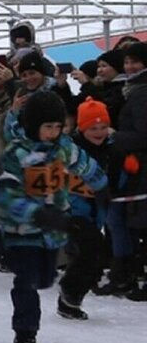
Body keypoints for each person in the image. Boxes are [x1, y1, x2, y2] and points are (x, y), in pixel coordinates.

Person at [0, 91, 107, 343]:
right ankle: (25, 334)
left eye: (58, 127)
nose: (53, 132)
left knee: (45, 278)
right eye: (48, 127)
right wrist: (36, 213)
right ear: (34, 125)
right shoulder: (16, 154)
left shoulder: (63, 147)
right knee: (27, 281)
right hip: (21, 231)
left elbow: (84, 163)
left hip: (52, 230)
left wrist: (101, 185)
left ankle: (48, 299)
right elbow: (7, 196)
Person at [58, 98, 119, 318]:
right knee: (91, 248)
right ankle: (68, 292)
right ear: (82, 128)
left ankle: (72, 299)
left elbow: (117, 177)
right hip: (72, 209)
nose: (99, 132)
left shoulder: (111, 149)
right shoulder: (71, 149)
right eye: (93, 128)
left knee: (94, 256)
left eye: (103, 127)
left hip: (97, 211)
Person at [111, 41, 147, 300]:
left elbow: (143, 135)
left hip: (141, 167)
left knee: (140, 224)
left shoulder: (141, 93)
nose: (129, 66)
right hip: (136, 166)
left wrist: (116, 136)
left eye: (135, 62)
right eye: (127, 62)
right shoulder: (133, 90)